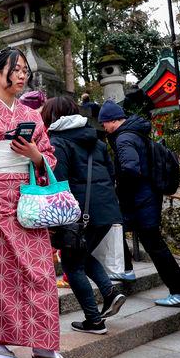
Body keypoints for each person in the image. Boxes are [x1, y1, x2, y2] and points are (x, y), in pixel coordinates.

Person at [0, 46, 72, 358]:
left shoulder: (31, 115)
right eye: (16, 69)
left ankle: (44, 345)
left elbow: (49, 156)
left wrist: (36, 155)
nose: (22, 75)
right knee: (5, 277)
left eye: (25, 69)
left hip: (29, 202)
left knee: (41, 275)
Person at [42, 96, 127, 334]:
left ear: (51, 116)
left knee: (71, 264)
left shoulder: (58, 142)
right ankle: (110, 293)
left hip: (79, 213)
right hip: (107, 210)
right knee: (82, 253)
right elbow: (111, 174)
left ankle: (94, 320)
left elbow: (58, 183)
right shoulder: (97, 140)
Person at [99, 101, 180, 307]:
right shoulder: (135, 133)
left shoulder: (124, 139)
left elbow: (131, 168)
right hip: (147, 197)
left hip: (140, 199)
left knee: (153, 245)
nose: (104, 128)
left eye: (104, 123)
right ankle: (127, 270)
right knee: (122, 229)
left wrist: (119, 188)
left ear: (113, 121)